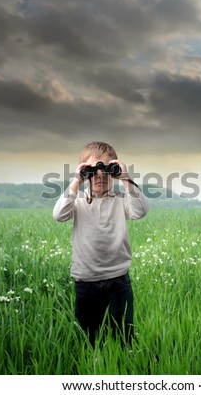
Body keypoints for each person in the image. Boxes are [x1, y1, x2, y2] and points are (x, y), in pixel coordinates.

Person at [53, 141, 148, 346]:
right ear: (85, 173)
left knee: (123, 336)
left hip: (118, 279)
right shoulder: (77, 201)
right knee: (89, 338)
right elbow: (59, 215)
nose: (100, 175)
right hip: (86, 279)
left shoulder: (121, 200)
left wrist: (126, 178)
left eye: (106, 169)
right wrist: (76, 181)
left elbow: (140, 211)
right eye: (93, 170)